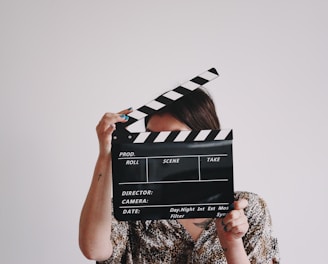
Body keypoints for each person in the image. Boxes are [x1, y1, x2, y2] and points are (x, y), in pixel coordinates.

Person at [79, 88, 280, 263]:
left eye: (172, 137)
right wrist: (106, 154)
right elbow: (93, 249)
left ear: (205, 140)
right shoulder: (132, 206)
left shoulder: (247, 210)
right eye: (151, 137)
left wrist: (232, 243)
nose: (157, 150)